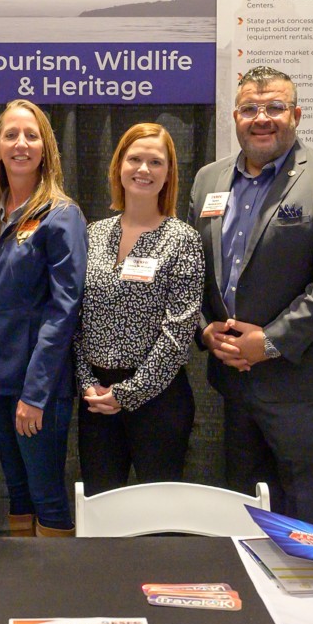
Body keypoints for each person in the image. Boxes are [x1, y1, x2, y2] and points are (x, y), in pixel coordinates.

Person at [189, 65, 313, 529]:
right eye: (250, 108)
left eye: (274, 107)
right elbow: (192, 270)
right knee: (246, 520)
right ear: (235, 117)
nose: (262, 118)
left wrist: (268, 342)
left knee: (311, 524)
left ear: (297, 115)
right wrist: (205, 330)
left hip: (303, 386)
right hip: (235, 383)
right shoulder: (208, 180)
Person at [0, 99, 86, 537]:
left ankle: (54, 577)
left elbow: (64, 308)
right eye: (11, 135)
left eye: (31, 136)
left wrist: (35, 393)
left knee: (46, 494)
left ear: (45, 149)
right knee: (16, 491)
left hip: (37, 387)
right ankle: (19, 575)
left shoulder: (61, 215)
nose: (21, 144)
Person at [74, 123, 204, 494]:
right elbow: (74, 319)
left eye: (155, 162)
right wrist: (87, 383)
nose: (143, 169)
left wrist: (128, 393)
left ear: (169, 172)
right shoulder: (93, 233)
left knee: (158, 514)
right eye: (134, 159)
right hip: (96, 400)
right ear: (118, 166)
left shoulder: (183, 240)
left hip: (159, 401)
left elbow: (179, 331)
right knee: (101, 509)